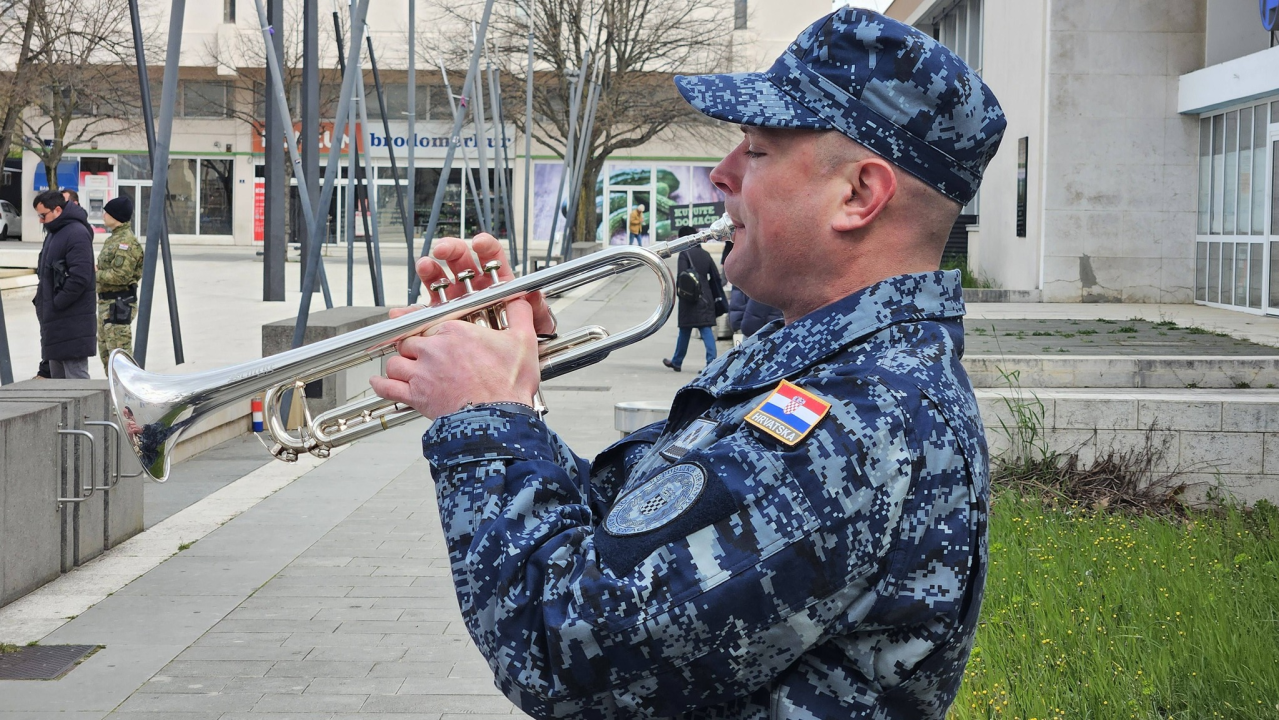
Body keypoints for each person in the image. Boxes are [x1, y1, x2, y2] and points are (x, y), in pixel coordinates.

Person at [370, 7, 1004, 718]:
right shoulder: (821, 367)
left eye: (756, 152)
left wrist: (487, 421)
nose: (719, 174)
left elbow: (563, 654)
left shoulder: (859, 416)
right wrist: (511, 388)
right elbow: (628, 551)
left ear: (857, 194)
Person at [32, 189, 96, 379]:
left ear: (58, 210)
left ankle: (85, 411)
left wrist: (57, 302)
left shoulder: (76, 233)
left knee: (76, 381)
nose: (40, 221)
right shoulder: (55, 233)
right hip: (56, 322)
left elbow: (80, 277)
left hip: (71, 321)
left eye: (43, 215)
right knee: (57, 386)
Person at [663, 225, 726, 372]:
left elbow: (682, 277)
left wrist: (679, 294)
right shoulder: (705, 255)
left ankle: (677, 361)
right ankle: (711, 363)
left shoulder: (685, 255)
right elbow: (716, 277)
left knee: (685, 330)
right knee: (706, 328)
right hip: (705, 297)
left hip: (689, 298)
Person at [95, 196, 143, 371]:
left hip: (118, 304)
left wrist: (95, 274)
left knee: (120, 358)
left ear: (116, 216)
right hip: (107, 304)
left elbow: (120, 276)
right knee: (107, 355)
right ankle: (113, 394)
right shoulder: (114, 238)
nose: (104, 215)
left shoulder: (126, 242)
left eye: (107, 212)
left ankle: (126, 395)